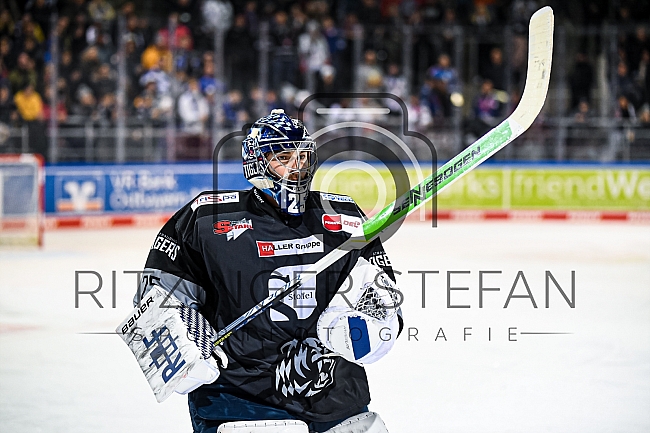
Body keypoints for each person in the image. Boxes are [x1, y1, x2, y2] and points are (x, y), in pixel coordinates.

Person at [134, 109, 402, 433]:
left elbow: (381, 296)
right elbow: (157, 296)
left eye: (303, 157)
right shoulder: (206, 219)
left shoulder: (342, 215)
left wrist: (355, 332)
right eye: (284, 158)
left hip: (334, 397)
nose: (297, 167)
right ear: (257, 163)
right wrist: (185, 339)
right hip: (240, 403)